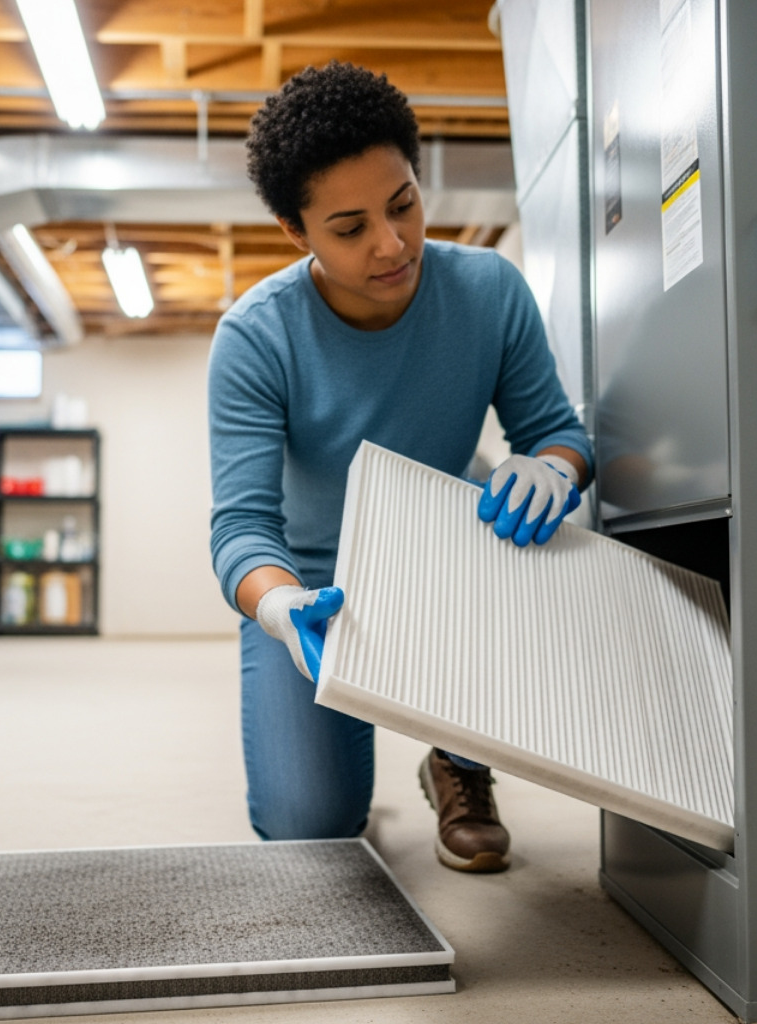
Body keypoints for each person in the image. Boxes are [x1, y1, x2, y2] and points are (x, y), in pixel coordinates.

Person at [207, 62, 594, 873]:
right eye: (349, 228)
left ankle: (457, 755)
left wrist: (554, 470)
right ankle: (342, 744)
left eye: (404, 205)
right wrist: (281, 609)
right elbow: (242, 527)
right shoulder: (255, 336)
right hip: (313, 590)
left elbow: (559, 432)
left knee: (534, 555)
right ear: (295, 230)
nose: (392, 245)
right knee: (310, 832)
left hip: (448, 567)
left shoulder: (489, 291)